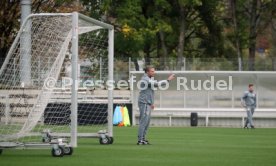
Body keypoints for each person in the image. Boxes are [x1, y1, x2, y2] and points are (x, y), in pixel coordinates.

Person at [137, 66, 175, 145]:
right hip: (144, 103)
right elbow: (157, 84)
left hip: (148, 103)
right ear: (147, 72)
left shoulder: (149, 79)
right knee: (143, 122)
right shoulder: (145, 79)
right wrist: (168, 80)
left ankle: (143, 139)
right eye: (152, 71)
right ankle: (140, 140)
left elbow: (150, 92)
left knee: (147, 122)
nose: (154, 73)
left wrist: (152, 103)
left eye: (154, 71)